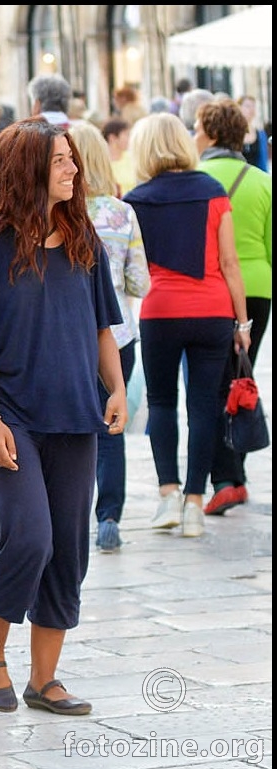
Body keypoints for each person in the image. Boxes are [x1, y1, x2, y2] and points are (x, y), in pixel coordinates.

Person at [0, 117, 126, 716]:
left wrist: (118, 388)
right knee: (29, 538)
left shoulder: (84, 241)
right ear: (29, 168)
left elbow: (103, 326)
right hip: (10, 421)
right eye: (60, 161)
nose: (72, 170)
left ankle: (44, 679)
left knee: (69, 550)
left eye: (71, 160)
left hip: (76, 418)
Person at [123, 112, 249, 539]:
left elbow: (134, 270)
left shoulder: (137, 199)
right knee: (203, 405)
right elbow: (230, 263)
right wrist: (243, 321)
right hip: (212, 310)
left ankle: (167, 496)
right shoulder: (213, 192)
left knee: (161, 403)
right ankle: (196, 502)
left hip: (160, 309)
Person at [69, 121, 150, 552]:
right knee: (110, 426)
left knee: (71, 429)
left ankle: (69, 511)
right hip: (118, 336)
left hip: (67, 339)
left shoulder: (56, 215)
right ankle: (109, 515)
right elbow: (141, 283)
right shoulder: (122, 214)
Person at [194, 98, 272, 515]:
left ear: (208, 132)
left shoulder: (197, 177)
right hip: (257, 287)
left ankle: (227, 478)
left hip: (214, 288)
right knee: (241, 376)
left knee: (215, 383)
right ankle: (232, 470)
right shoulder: (261, 181)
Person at [100, 119, 137, 196]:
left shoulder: (132, 158)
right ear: (112, 138)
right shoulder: (101, 162)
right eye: (126, 135)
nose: (129, 138)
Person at [237, 96, 270, 173]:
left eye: (253, 106)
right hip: (237, 177)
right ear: (239, 108)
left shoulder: (260, 134)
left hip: (255, 177)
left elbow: (263, 162)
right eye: (247, 106)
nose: (251, 109)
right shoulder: (232, 133)